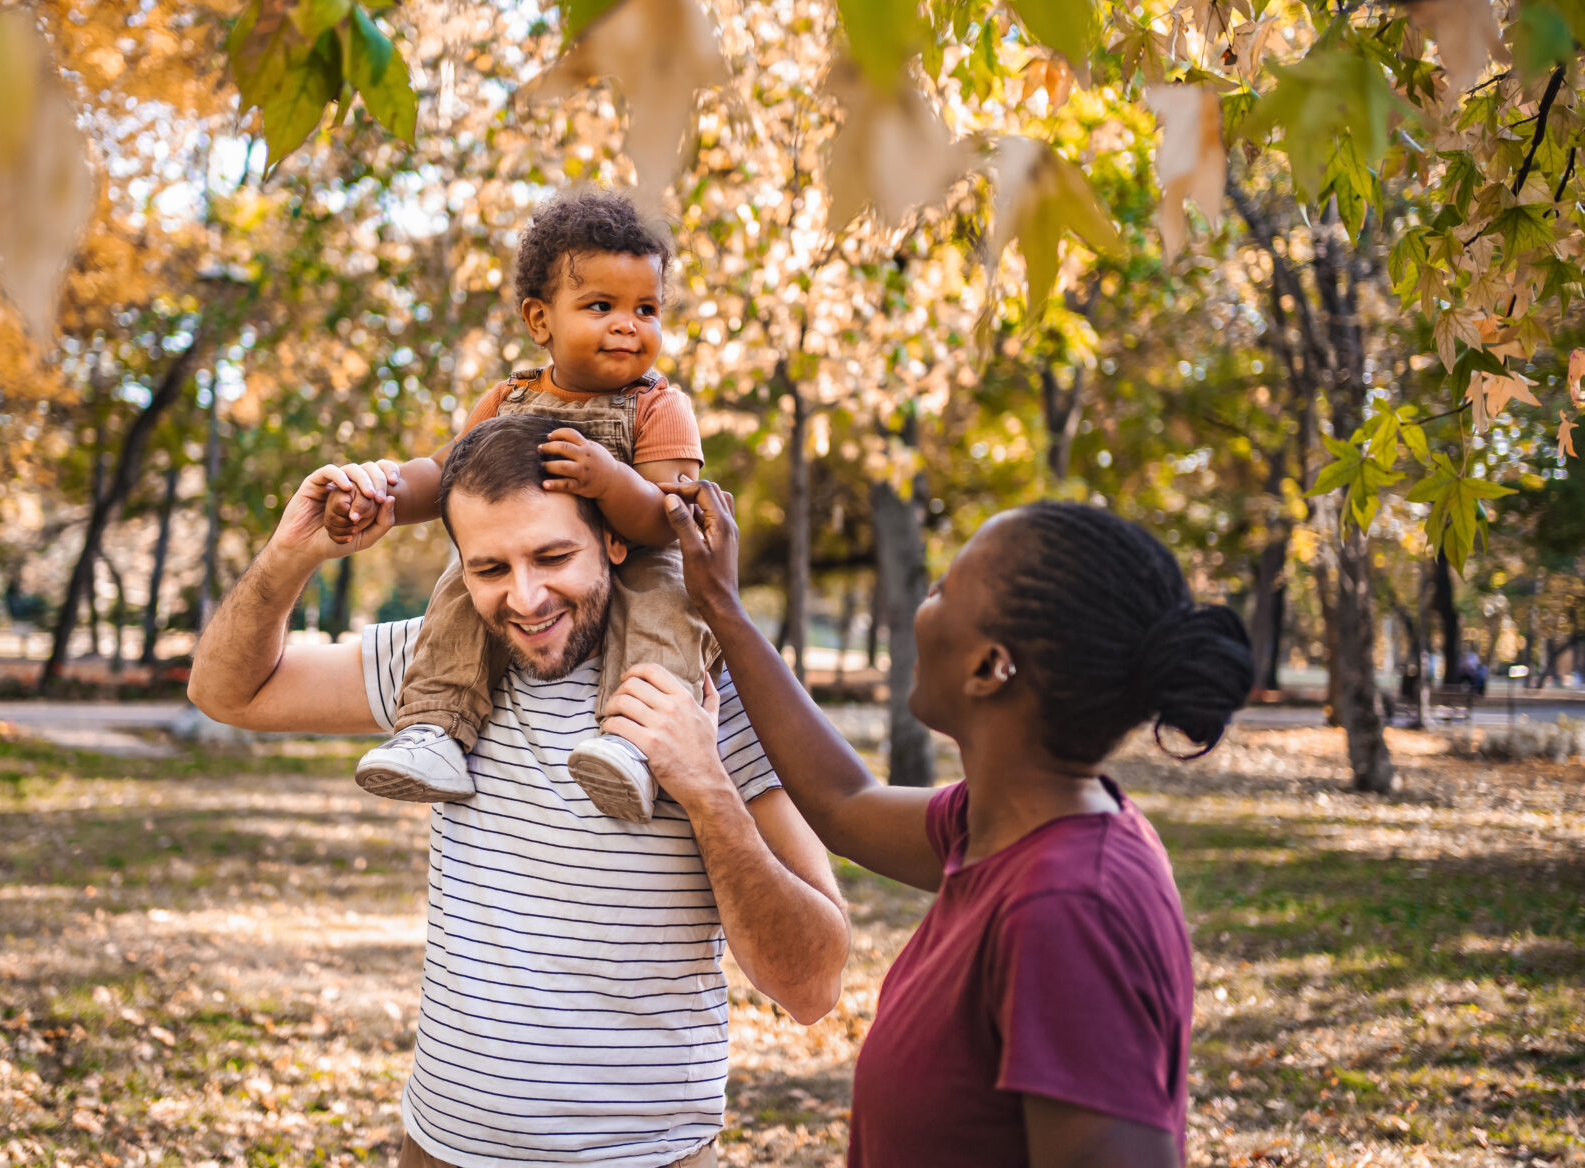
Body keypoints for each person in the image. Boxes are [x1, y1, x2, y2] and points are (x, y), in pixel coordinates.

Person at [187, 415, 849, 1168]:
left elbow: (813, 986)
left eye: (552, 556)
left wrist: (706, 787)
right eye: (489, 568)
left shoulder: (711, 686)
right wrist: (290, 553)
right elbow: (226, 692)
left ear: (614, 539)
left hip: (644, 1157)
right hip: (441, 1148)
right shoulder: (444, 668)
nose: (526, 598)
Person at [659, 481, 1254, 1168]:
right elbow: (844, 804)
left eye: (942, 591)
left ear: (990, 666)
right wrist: (722, 608)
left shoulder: (1072, 910)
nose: (920, 606)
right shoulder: (1005, 823)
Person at [328, 189, 712, 822]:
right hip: (528, 559)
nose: (629, 324)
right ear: (540, 320)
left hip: (637, 559)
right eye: (601, 306)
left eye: (647, 309)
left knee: (667, 605)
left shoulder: (659, 407)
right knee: (464, 585)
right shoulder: (507, 401)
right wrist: (383, 495)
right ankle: (436, 727)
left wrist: (610, 480)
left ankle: (637, 745)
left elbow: (667, 520)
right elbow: (443, 474)